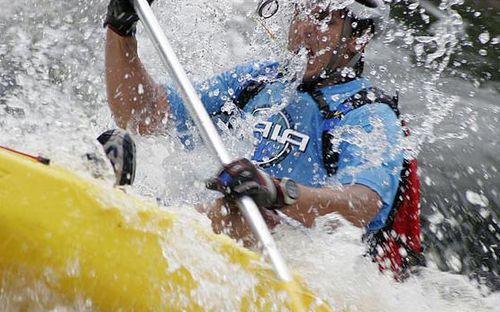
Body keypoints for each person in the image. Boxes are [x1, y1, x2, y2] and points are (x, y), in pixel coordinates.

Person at [102, 0, 425, 277]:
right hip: (225, 246)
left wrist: (277, 192)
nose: (305, 28)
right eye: (300, 10)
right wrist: (121, 29)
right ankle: (131, 214)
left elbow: (362, 204)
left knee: (244, 213)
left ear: (359, 37)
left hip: (307, 275)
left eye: (325, 19)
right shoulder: (256, 80)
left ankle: (138, 230)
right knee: (231, 208)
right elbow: (142, 116)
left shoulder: (370, 115)